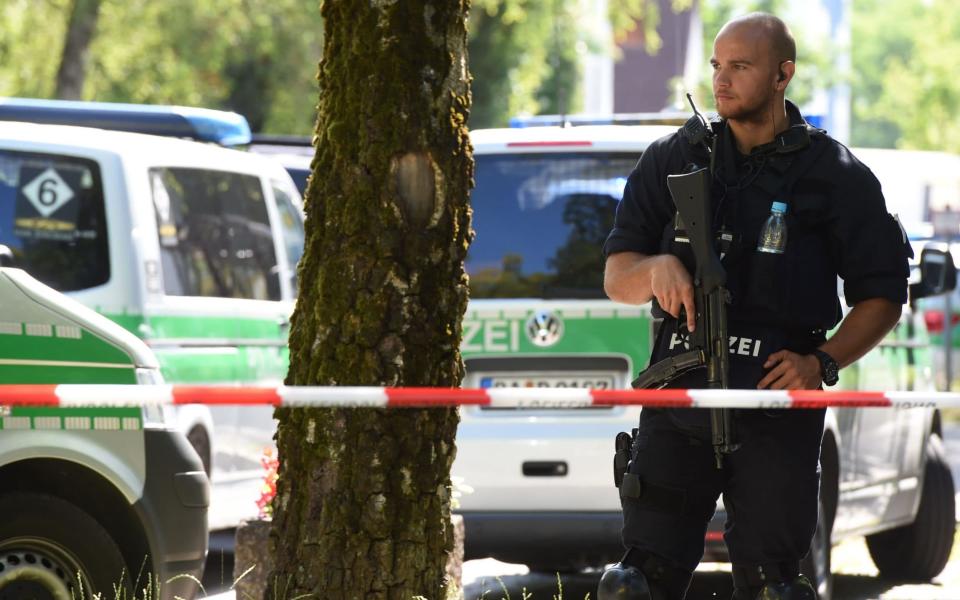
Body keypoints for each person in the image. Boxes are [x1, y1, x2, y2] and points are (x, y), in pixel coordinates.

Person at [597, 12, 911, 600]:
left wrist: (822, 361)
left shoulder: (835, 176)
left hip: (776, 406)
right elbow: (618, 278)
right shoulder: (672, 159)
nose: (722, 80)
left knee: (777, 588)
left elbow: (884, 296)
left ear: (782, 74)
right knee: (636, 584)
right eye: (717, 66)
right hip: (680, 395)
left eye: (740, 66)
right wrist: (656, 269)